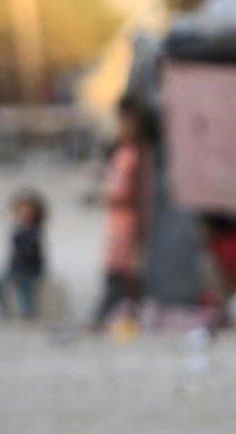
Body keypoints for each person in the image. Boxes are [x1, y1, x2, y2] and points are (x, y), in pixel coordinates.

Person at [92, 96, 148, 330]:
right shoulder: (123, 152)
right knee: (117, 269)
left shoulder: (135, 155)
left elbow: (126, 191)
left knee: (124, 271)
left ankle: (110, 315)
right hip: (118, 221)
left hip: (128, 220)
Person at [0, 189, 47, 320]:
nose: (24, 211)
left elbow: (33, 255)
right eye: (22, 208)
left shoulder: (35, 230)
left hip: (30, 269)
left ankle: (29, 313)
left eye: (27, 208)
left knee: (25, 287)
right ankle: (5, 311)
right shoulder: (19, 227)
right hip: (16, 268)